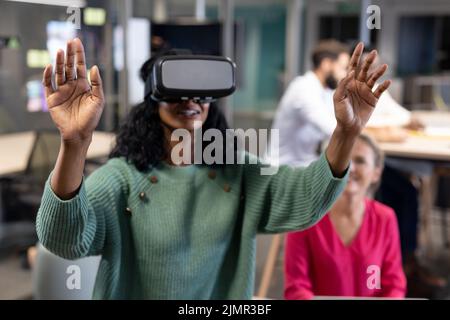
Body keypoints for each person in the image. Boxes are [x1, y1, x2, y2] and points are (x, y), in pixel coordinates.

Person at [36, 38, 390, 299]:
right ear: (152, 100)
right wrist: (75, 142)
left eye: (201, 94)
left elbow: (306, 198)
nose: (190, 102)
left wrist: (347, 131)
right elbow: (64, 239)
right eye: (176, 92)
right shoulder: (124, 178)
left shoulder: (237, 174)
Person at [284, 134, 407, 299]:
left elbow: (394, 286)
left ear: (376, 173)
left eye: (360, 161)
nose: (351, 168)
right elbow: (296, 288)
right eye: (344, 158)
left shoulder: (385, 218)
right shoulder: (304, 215)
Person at [270, 40, 350, 167]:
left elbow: (343, 121)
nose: (345, 75)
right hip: (283, 169)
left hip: (304, 164)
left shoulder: (326, 91)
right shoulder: (303, 87)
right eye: (343, 68)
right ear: (326, 64)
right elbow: (332, 128)